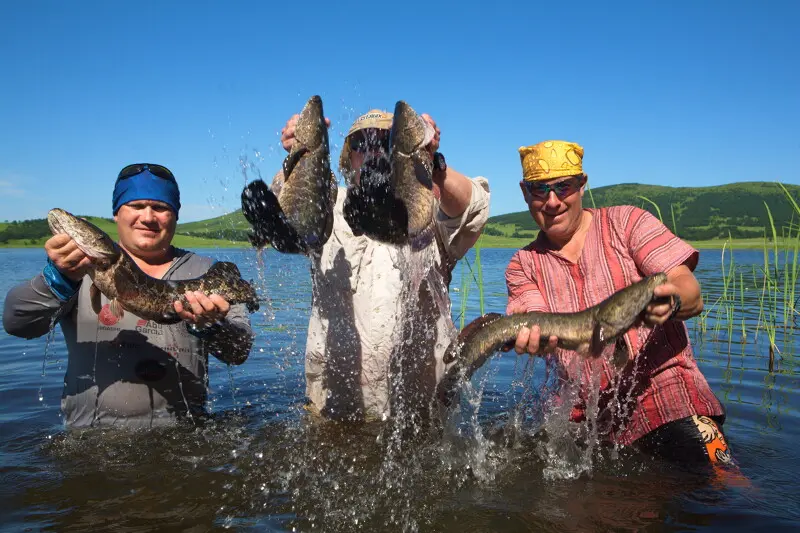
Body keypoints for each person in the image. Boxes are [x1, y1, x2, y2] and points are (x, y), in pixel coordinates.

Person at [504, 140, 731, 465]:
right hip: (581, 411)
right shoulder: (522, 264)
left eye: (562, 187)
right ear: (525, 193)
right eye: (540, 190)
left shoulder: (628, 223)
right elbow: (531, 316)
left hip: (665, 394)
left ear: (582, 185)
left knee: (724, 483)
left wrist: (673, 301)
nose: (552, 202)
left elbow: (688, 288)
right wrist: (534, 339)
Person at [277, 108, 490, 423]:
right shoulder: (327, 206)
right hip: (332, 409)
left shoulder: (427, 205)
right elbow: (285, 224)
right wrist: (299, 158)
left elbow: (473, 211)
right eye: (362, 144)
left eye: (386, 142)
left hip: (419, 412)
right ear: (350, 158)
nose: (374, 151)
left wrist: (432, 164)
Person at [3, 163, 255, 429]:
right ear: (116, 214)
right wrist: (59, 279)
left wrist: (213, 327)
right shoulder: (74, 270)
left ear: (175, 216)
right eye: (136, 206)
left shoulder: (207, 273)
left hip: (185, 443)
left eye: (160, 207)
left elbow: (239, 352)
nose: (147, 217)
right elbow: (17, 322)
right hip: (92, 444)